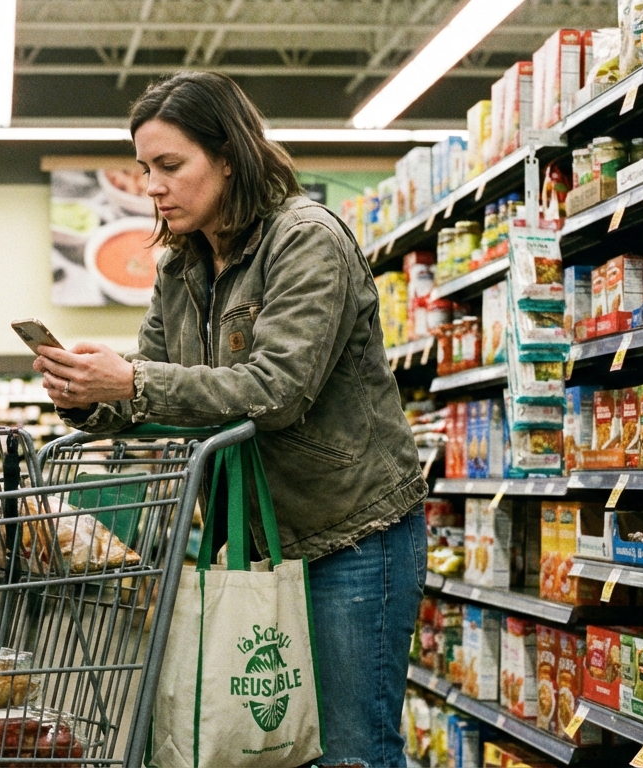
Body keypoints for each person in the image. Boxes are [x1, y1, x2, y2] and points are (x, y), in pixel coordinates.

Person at [32, 71, 428, 767]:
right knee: (262, 745)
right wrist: (93, 396)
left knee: (351, 750)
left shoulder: (306, 240)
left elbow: (277, 390)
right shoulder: (181, 266)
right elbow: (160, 392)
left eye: (170, 166)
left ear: (228, 156)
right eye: (145, 168)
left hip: (351, 534)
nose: (152, 186)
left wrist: (135, 380)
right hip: (249, 541)